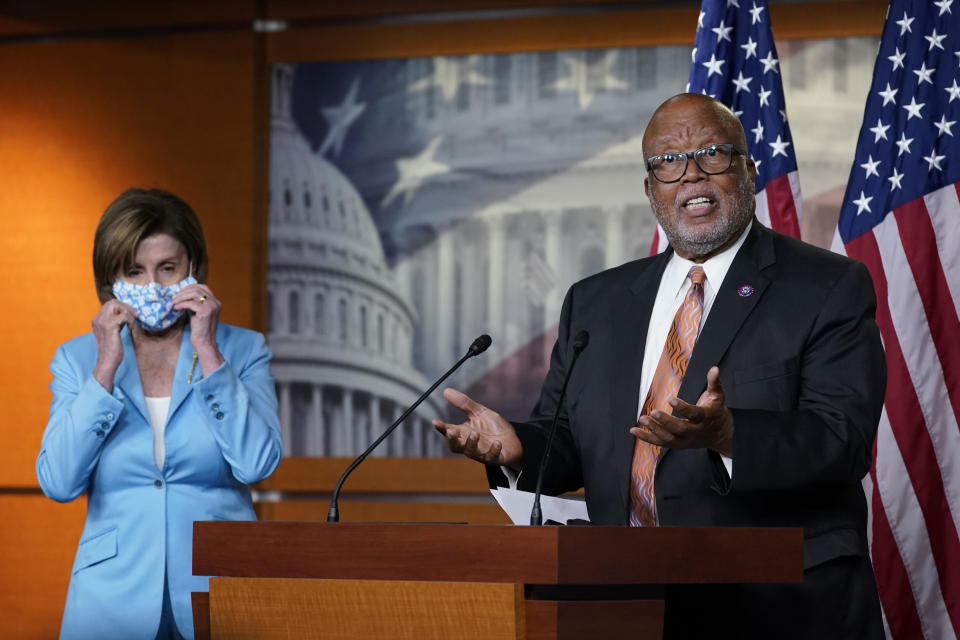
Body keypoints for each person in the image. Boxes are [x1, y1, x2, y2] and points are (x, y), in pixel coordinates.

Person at [433, 93, 886, 639]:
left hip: (775, 606)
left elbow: (842, 440)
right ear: (651, 190)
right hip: (623, 600)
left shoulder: (827, 286)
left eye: (712, 154)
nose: (691, 175)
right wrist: (518, 448)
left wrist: (731, 435)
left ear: (746, 170)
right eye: (668, 162)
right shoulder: (596, 301)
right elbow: (572, 440)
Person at [36, 188, 283, 640]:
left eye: (167, 269)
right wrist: (104, 371)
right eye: (135, 271)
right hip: (110, 600)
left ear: (194, 269)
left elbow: (257, 464)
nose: (152, 285)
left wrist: (209, 352)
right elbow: (58, 481)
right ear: (111, 279)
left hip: (222, 590)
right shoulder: (75, 359)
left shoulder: (244, 350)